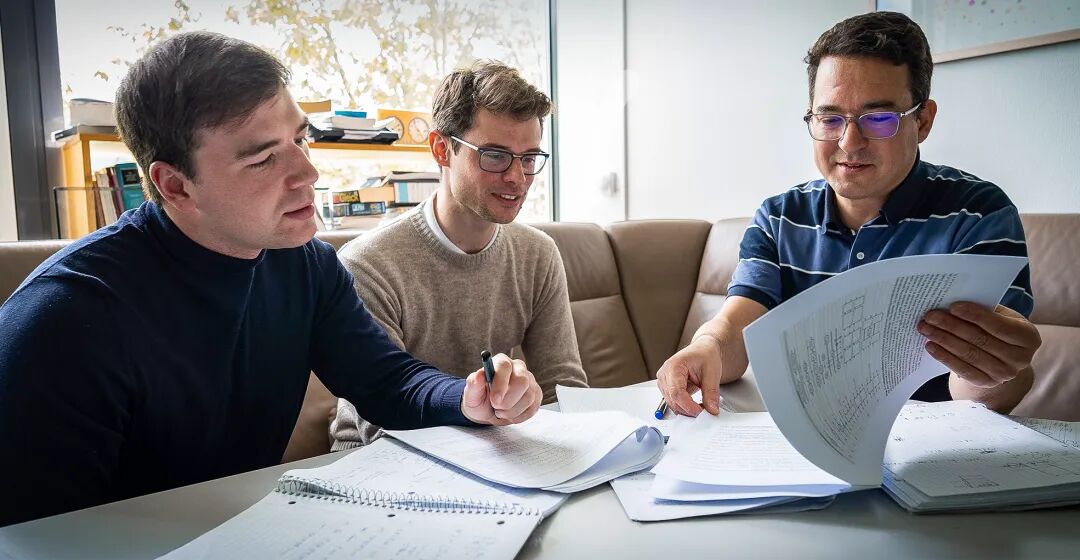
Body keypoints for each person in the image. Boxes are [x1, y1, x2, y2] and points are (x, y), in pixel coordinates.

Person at [0, 32, 542, 527]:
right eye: (263, 159)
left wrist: (468, 398)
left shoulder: (305, 264)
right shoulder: (61, 323)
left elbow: (386, 383)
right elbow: (38, 538)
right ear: (175, 185)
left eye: (300, 140)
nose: (309, 173)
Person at [657, 12, 1040, 418]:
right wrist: (706, 347)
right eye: (830, 119)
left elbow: (976, 392)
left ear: (923, 121)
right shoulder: (779, 217)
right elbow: (736, 330)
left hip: (929, 440)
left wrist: (996, 372)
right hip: (797, 438)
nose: (849, 142)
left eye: (878, 119)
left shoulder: (978, 213)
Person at [331, 61, 588, 449]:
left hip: (499, 449)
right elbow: (378, 421)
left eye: (529, 158)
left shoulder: (537, 253)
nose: (518, 178)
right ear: (441, 149)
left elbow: (564, 392)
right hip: (376, 457)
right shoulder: (368, 264)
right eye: (495, 156)